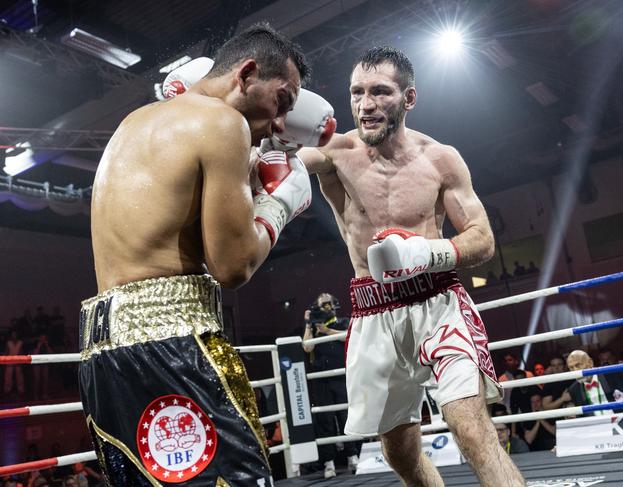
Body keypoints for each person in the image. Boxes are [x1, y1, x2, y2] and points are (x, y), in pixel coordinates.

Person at [78, 23, 315, 486]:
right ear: (246, 74)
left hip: (102, 356)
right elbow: (232, 266)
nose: (283, 121)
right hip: (172, 348)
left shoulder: (137, 121)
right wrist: (279, 204)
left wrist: (251, 181)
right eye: (282, 101)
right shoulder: (222, 123)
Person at [298, 46, 524, 486]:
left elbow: (483, 238)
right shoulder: (335, 152)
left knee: (470, 426)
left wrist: (428, 252)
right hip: (373, 311)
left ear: (409, 98)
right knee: (400, 453)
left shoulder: (441, 159)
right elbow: (273, 165)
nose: (366, 105)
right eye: (357, 93)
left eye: (380, 92)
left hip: (438, 302)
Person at [302, 293, 359, 478]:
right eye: (322, 304)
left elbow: (350, 336)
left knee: (345, 416)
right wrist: (309, 325)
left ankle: (352, 456)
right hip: (321, 379)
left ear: (334, 305)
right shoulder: (313, 327)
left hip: (342, 376)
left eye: (328, 303)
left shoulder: (342, 322)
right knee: (324, 421)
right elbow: (307, 347)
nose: (326, 307)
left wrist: (328, 332)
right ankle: (329, 464)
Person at [566, 350, 623, 416]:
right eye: (571, 368)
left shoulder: (615, 373)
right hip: (598, 432)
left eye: (578, 365)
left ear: (590, 363)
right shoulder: (574, 389)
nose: (575, 371)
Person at [3, 330, 25, 398]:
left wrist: (21, 361)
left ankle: (21, 391)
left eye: (15, 334)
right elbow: (6, 352)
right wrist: (4, 361)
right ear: (11, 335)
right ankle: (7, 392)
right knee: (8, 377)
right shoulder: (8, 343)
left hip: (18, 361)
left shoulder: (20, 342)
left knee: (19, 377)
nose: (14, 335)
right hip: (9, 361)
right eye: (13, 334)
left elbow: (21, 352)